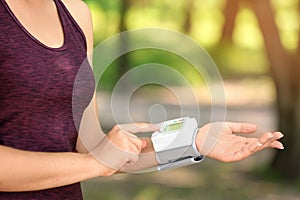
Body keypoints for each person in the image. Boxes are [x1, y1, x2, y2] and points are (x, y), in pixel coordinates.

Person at [0, 0, 284, 199]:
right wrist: (94, 165)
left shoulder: (75, 13)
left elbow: (94, 148)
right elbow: (96, 162)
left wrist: (193, 141)